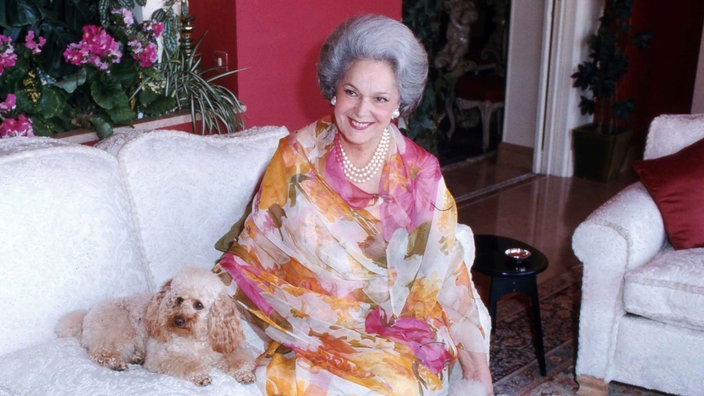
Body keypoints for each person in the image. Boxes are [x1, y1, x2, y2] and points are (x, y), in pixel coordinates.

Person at [214, 14, 493, 395]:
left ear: (399, 104)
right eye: (352, 92)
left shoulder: (420, 174)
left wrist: (478, 377)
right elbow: (256, 251)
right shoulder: (296, 157)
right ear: (334, 90)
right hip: (309, 326)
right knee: (276, 377)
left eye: (380, 99)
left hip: (391, 331)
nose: (362, 111)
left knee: (400, 386)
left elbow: (446, 274)